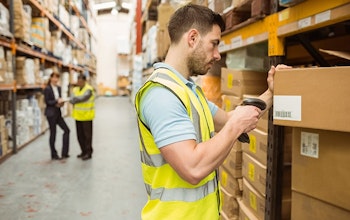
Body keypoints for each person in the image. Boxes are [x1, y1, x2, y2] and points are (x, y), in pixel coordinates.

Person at [134, 3, 291, 220]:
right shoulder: (162, 95)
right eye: (214, 44)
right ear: (192, 38)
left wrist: (270, 93)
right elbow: (193, 168)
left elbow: (229, 119)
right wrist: (235, 126)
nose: (217, 55)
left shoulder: (189, 92)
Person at [44, 72, 70, 160]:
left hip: (58, 113)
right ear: (51, 78)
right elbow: (47, 102)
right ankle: (53, 154)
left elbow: (59, 99)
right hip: (51, 114)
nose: (56, 80)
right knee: (53, 133)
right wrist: (56, 101)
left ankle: (64, 153)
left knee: (67, 130)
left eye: (57, 78)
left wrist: (61, 103)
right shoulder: (47, 89)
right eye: (54, 78)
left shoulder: (58, 88)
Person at [69, 74, 95, 161]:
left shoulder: (89, 89)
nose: (79, 83)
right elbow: (71, 99)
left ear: (84, 81)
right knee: (80, 136)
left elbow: (83, 98)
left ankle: (88, 153)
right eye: (78, 81)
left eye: (81, 81)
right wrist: (75, 99)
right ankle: (83, 151)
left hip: (87, 117)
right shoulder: (75, 89)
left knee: (87, 136)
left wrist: (75, 99)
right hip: (78, 116)